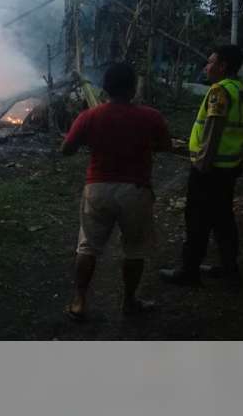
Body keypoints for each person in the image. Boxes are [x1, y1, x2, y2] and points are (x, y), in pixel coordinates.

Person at [61, 62, 172, 320]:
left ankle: (79, 301)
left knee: (87, 247)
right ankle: (129, 302)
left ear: (106, 88)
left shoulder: (89, 116)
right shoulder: (151, 116)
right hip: (135, 190)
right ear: (133, 88)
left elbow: (66, 150)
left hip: (98, 188)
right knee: (134, 249)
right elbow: (165, 146)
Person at [160, 45, 243, 286]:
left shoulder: (219, 91)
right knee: (223, 218)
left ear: (222, 66)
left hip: (210, 169)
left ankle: (189, 271)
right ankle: (229, 268)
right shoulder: (241, 90)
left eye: (210, 62)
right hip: (229, 167)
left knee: (197, 219)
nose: (206, 67)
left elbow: (213, 130)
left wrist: (201, 164)